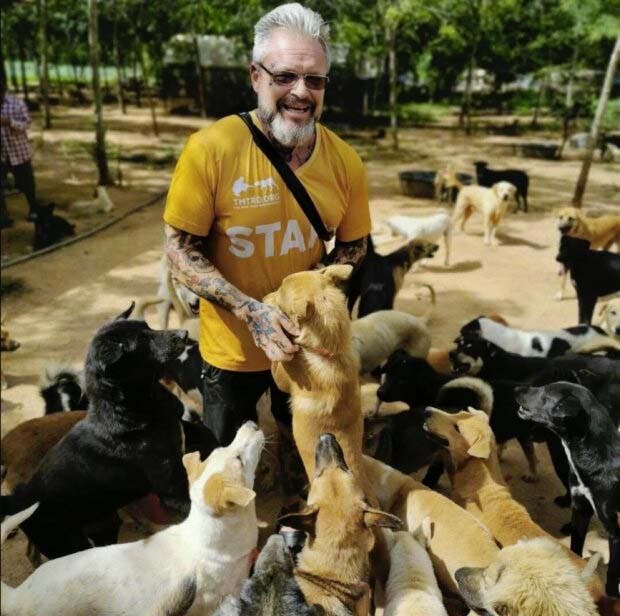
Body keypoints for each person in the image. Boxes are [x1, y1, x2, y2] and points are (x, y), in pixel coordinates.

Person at [164, 3, 371, 448]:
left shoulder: (346, 161)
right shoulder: (211, 149)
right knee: (225, 459)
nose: (301, 91)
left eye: (314, 80)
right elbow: (180, 249)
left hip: (308, 352)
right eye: (284, 77)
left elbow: (355, 245)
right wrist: (252, 311)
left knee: (312, 453)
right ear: (255, 75)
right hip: (230, 351)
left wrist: (317, 299)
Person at [1, 76, 41, 228]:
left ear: (3, 87)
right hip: (2, 154)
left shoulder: (16, 103)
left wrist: (9, 122)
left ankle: (34, 209)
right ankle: (3, 217)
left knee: (26, 183)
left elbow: (26, 124)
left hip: (19, 152)